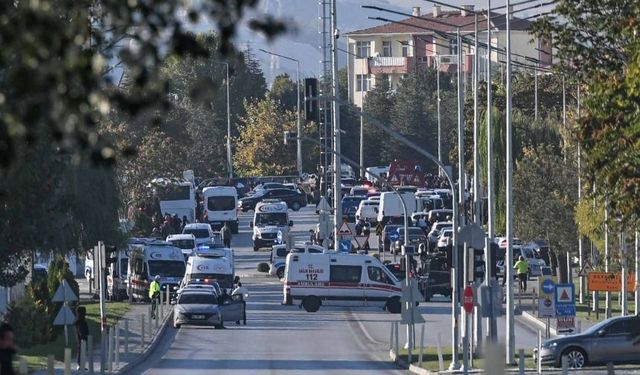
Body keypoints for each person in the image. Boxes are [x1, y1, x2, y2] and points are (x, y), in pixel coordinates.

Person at [75, 306, 89, 370]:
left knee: (82, 351)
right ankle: (79, 364)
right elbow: (80, 330)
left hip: (83, 338)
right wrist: (83, 336)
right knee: (80, 350)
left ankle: (82, 364)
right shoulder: (79, 321)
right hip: (81, 338)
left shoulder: (81, 320)